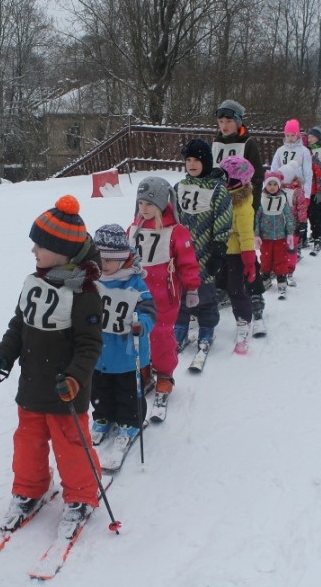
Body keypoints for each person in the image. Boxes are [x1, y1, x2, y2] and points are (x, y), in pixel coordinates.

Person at [0, 195, 104, 535]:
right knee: (28, 442)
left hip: (66, 390)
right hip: (32, 384)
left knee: (71, 445)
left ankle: (80, 496)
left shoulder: (84, 293)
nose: (34, 250)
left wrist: (75, 378)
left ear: (63, 252)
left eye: (41, 245)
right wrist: (3, 356)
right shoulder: (33, 282)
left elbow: (90, 345)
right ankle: (29, 488)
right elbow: (19, 325)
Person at [129, 177, 201, 401]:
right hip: (136, 294)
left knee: (161, 335)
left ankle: (164, 373)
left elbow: (187, 262)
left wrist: (192, 288)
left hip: (164, 295)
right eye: (141, 203)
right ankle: (143, 368)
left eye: (149, 204)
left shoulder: (176, 231)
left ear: (161, 204)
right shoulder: (133, 228)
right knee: (138, 333)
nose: (144, 208)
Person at [89, 224, 157, 449]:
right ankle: (102, 416)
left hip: (127, 351)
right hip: (99, 351)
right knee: (99, 389)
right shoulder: (92, 280)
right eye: (100, 259)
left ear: (122, 258)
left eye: (109, 260)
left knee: (127, 391)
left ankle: (130, 421)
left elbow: (149, 309)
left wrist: (141, 324)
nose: (104, 264)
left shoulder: (134, 282)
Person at [173, 139, 233, 364]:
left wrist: (219, 249)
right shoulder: (179, 187)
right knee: (181, 291)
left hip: (206, 250)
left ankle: (207, 327)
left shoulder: (217, 189)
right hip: (182, 251)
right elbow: (173, 216)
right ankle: (180, 326)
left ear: (206, 162)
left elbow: (224, 218)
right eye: (188, 160)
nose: (191, 164)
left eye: (196, 160)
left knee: (205, 293)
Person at [212, 99, 267, 335]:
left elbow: (257, 176)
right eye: (221, 121)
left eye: (228, 121)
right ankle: (223, 284)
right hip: (220, 201)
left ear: (238, 122)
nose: (224, 126)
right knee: (223, 245)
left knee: (244, 246)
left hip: (243, 201)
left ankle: (255, 291)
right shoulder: (216, 141)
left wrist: (250, 203)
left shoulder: (248, 143)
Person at [218, 155, 257, 354]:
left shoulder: (242, 206)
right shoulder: (219, 197)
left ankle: (243, 319)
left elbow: (246, 235)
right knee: (215, 282)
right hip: (219, 249)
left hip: (235, 253)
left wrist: (249, 261)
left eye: (225, 178)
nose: (221, 181)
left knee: (236, 289)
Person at [271, 118, 312, 252]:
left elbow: (308, 172)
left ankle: (298, 242)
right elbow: (274, 168)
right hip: (283, 187)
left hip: (297, 188)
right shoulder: (280, 150)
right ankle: (284, 243)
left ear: (297, 135)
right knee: (283, 215)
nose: (290, 138)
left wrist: (307, 193)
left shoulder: (304, 151)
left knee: (297, 217)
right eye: (287, 135)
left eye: (292, 135)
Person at [254, 171, 296, 297]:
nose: (272, 187)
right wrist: (256, 234)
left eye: (275, 184)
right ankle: (265, 277)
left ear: (279, 185)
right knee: (265, 258)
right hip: (265, 236)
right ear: (265, 185)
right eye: (269, 184)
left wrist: (290, 233)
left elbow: (288, 216)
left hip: (280, 236)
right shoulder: (262, 199)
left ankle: (281, 278)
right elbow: (256, 217)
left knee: (280, 258)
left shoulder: (282, 199)